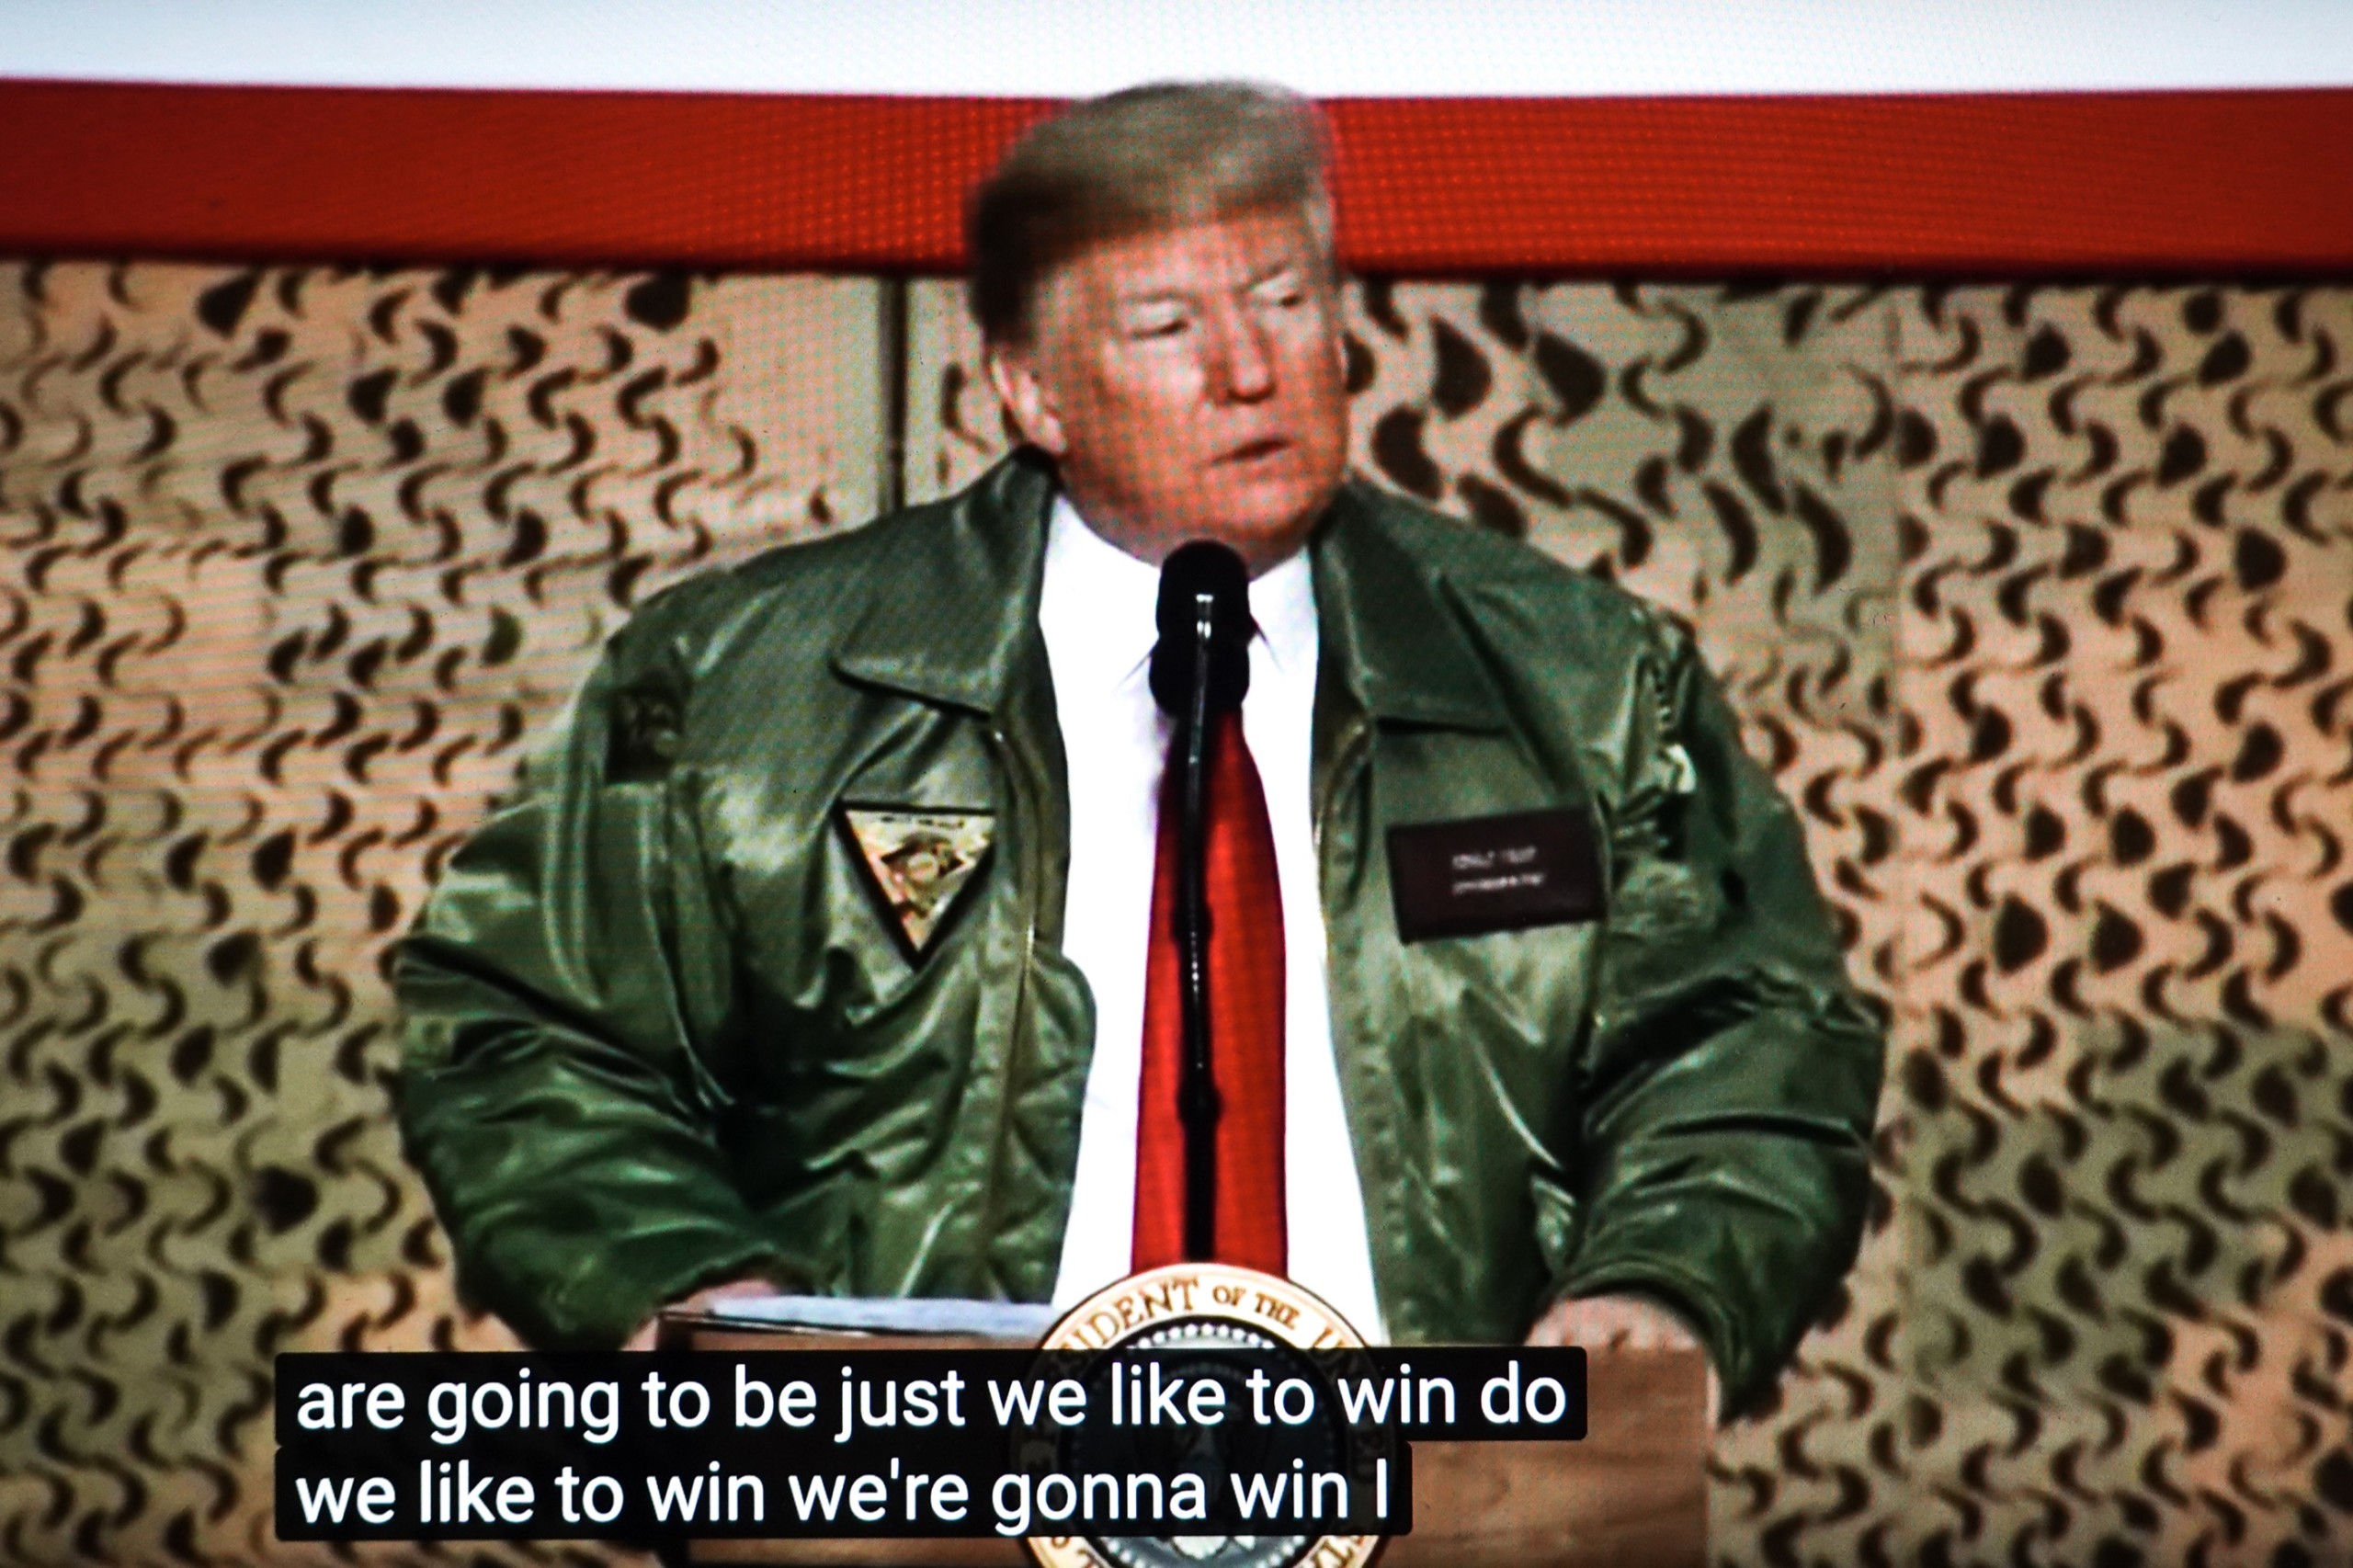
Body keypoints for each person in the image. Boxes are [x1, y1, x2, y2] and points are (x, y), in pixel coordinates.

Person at [393, 82, 1884, 1417]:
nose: (1250, 370)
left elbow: (1746, 1040)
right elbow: (525, 1031)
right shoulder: (750, 683)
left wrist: (1665, 1285)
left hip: (1443, 1498)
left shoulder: (1580, 684)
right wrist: (692, 1294)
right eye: (1169, 327)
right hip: (923, 1502)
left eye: (1284, 300)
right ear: (1031, 391)